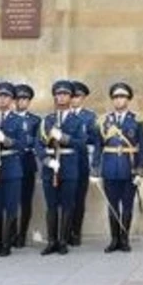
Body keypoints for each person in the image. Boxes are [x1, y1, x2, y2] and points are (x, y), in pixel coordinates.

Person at [93, 81, 143, 253]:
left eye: (122, 96)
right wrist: (95, 169)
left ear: (128, 99)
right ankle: (114, 239)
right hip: (109, 168)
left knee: (127, 205)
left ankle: (125, 239)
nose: (118, 100)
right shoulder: (104, 121)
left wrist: (140, 171)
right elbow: (98, 147)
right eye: (115, 97)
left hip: (129, 168)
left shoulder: (137, 120)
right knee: (112, 205)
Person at [35, 80, 87, 255]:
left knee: (67, 204)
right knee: (51, 205)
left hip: (69, 165)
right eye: (58, 94)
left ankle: (63, 241)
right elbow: (38, 144)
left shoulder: (78, 120)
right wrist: (46, 160)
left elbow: (81, 144)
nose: (61, 97)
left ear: (71, 98)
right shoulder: (47, 120)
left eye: (65, 94)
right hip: (51, 166)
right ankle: (52, 241)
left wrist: (64, 138)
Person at [0, 82, 27, 257]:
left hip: (11, 167)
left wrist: (6, 140)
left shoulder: (19, 120)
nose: (2, 99)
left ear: (12, 100)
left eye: (6, 96)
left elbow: (23, 145)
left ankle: (7, 243)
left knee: (10, 206)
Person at [68, 80, 97, 246]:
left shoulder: (89, 117)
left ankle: (76, 232)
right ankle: (64, 231)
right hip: (64, 162)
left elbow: (95, 139)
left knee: (79, 199)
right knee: (66, 199)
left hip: (81, 161)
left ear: (83, 98)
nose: (74, 99)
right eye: (72, 96)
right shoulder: (61, 115)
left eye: (77, 96)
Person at [13, 83, 40, 247]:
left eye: (24, 99)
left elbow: (36, 142)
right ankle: (10, 233)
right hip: (10, 162)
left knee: (25, 201)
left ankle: (21, 234)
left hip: (27, 162)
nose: (20, 101)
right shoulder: (7, 118)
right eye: (18, 98)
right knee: (11, 201)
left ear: (29, 101)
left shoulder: (35, 120)